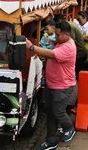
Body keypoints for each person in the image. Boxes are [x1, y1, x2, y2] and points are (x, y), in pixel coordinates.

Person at [25, 21, 77, 150]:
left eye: (58, 35)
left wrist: (32, 47)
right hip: (52, 83)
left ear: (66, 34)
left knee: (58, 112)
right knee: (50, 111)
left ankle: (69, 128)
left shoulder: (68, 47)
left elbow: (52, 54)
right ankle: (51, 140)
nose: (56, 37)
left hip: (63, 85)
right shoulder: (60, 42)